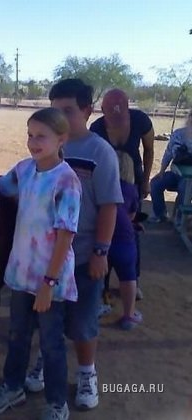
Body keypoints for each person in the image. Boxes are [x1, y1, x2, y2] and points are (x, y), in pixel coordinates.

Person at [25, 79, 123, 411]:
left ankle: (86, 374)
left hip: (82, 256)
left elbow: (110, 205)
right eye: (55, 110)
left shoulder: (100, 152)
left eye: (68, 110)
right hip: (48, 258)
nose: (60, 117)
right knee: (48, 317)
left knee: (83, 322)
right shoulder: (49, 145)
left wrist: (100, 251)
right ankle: (46, 362)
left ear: (87, 110)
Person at [0, 107, 82, 420]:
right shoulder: (24, 170)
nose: (34, 142)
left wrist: (48, 285)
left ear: (61, 139)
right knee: (17, 336)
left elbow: (65, 237)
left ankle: (56, 404)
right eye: (30, 135)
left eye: (42, 136)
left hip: (48, 280)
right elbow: (2, 185)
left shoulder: (66, 181)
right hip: (21, 275)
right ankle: (13, 387)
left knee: (51, 344)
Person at [90, 88, 155, 300]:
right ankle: (103, 285)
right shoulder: (97, 128)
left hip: (132, 182)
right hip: (106, 184)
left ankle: (132, 280)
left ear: (128, 106)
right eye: (112, 109)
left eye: (121, 108)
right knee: (103, 232)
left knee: (131, 231)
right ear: (102, 109)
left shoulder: (140, 120)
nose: (117, 113)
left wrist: (145, 180)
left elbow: (149, 149)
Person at [106, 151, 143, 330]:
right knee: (128, 277)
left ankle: (98, 305)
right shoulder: (131, 189)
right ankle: (129, 315)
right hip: (124, 238)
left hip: (101, 238)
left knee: (98, 276)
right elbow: (130, 215)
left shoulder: (102, 185)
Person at [149, 110, 192, 223]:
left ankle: (180, 218)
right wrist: (162, 171)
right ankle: (160, 214)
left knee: (185, 187)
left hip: (189, 178)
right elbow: (168, 153)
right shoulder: (178, 134)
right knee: (155, 183)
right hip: (175, 172)